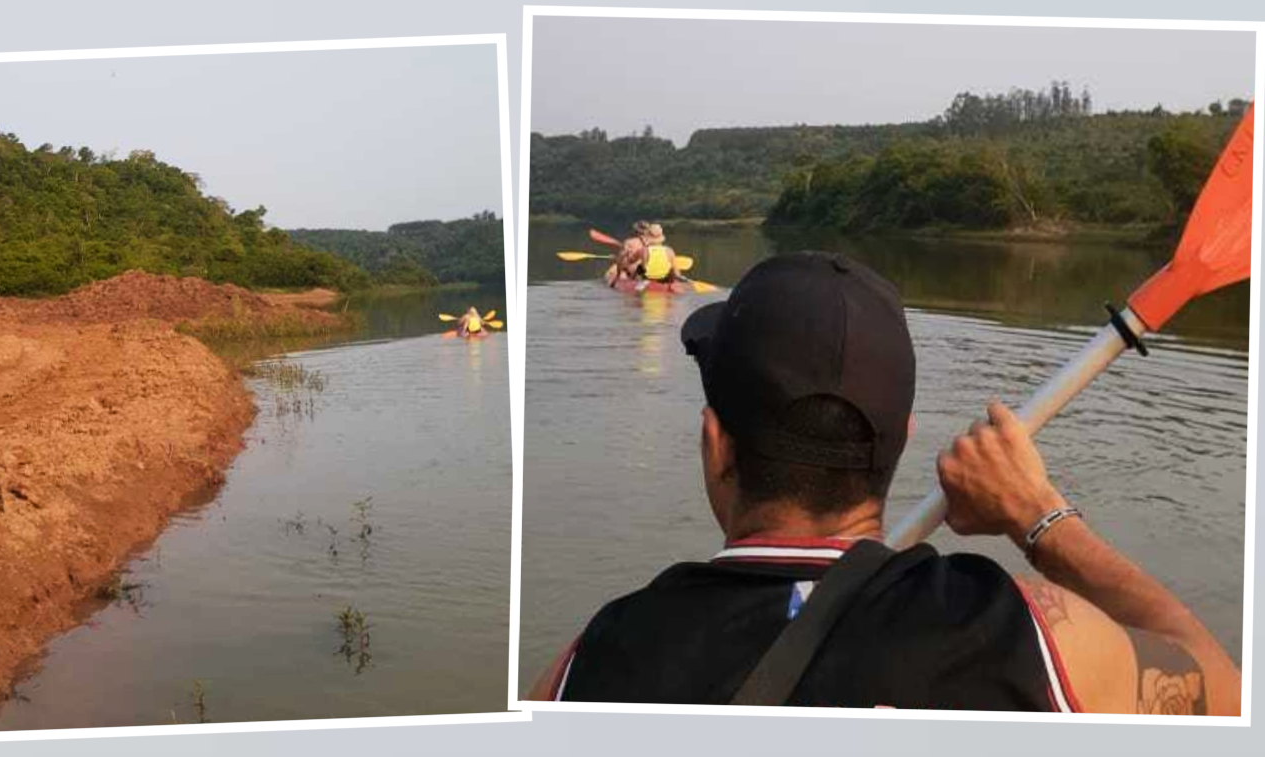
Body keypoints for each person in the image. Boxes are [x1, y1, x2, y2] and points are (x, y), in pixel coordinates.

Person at [528, 251, 1240, 714]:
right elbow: (1224, 689)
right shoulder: (1026, 638)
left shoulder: (591, 667)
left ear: (715, 444)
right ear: (900, 441)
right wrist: (1038, 514)